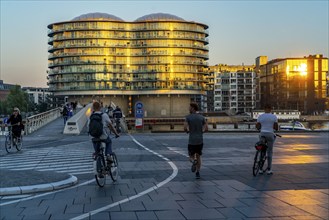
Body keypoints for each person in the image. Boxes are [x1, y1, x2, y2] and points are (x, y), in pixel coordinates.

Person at [184, 102, 208, 179]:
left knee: (191, 156)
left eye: (189, 107)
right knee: (198, 156)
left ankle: (193, 161)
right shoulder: (202, 117)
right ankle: (198, 172)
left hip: (192, 140)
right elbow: (206, 128)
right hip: (200, 140)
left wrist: (187, 131)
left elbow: (185, 127)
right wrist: (202, 131)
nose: (188, 108)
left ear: (193, 108)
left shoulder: (188, 117)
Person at [256, 103, 279, 175]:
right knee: (269, 152)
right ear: (271, 109)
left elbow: (258, 126)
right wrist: (275, 130)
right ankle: (269, 169)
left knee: (262, 151)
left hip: (262, 134)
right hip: (270, 134)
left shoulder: (260, 116)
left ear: (264, 109)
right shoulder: (274, 117)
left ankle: (260, 169)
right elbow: (275, 127)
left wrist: (260, 129)